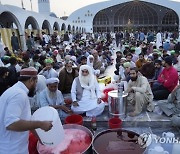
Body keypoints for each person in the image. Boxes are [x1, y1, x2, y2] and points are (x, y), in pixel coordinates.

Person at [0, 67, 52, 154]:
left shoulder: (14, 91)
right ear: (31, 80)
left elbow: (27, 120)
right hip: (13, 149)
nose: (36, 86)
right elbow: (11, 124)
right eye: (36, 82)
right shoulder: (19, 95)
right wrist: (41, 124)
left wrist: (41, 139)